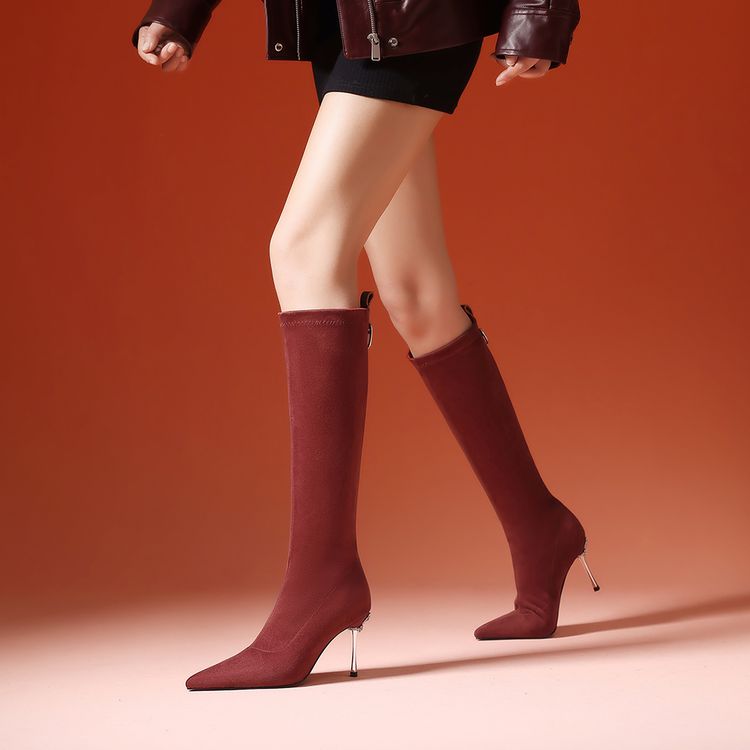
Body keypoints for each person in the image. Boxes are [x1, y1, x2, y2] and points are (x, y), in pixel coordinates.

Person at [131, 0, 599, 691]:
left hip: (410, 18)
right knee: (415, 291)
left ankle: (323, 580)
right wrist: (180, 10)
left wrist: (538, 15)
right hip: (347, 25)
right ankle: (541, 529)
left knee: (304, 250)